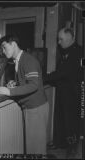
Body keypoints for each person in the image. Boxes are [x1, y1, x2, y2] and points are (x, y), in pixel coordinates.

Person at [0, 35, 49, 155]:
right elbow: (27, 81)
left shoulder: (28, 60)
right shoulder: (19, 60)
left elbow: (34, 85)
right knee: (32, 146)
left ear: (13, 44)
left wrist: (10, 91)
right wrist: (16, 83)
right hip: (31, 108)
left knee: (36, 148)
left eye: (4, 47)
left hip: (36, 108)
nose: (3, 52)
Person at [43, 27, 82, 157]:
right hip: (63, 91)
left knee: (71, 122)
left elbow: (63, 72)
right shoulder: (66, 51)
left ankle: (72, 148)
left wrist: (42, 77)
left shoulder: (78, 52)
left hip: (73, 94)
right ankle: (60, 143)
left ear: (71, 39)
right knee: (60, 119)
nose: (59, 42)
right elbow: (61, 73)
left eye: (61, 39)